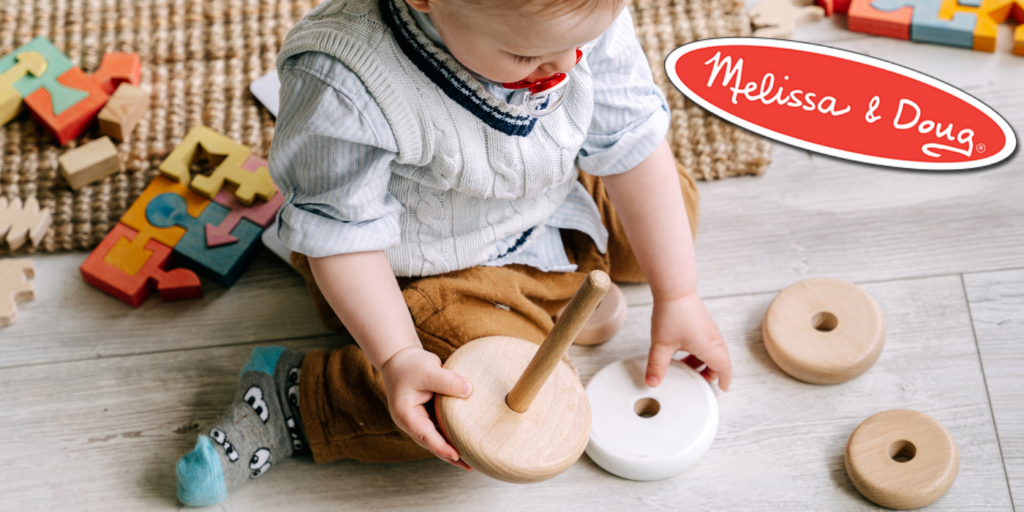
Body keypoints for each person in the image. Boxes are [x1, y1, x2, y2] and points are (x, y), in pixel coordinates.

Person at [175, 0, 732, 506]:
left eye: (583, 44)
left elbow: (629, 134)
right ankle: (296, 398)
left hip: (548, 198)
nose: (564, 67)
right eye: (526, 55)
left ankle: (559, 285)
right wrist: (396, 358)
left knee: (672, 208)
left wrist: (679, 292)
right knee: (469, 401)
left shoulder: (574, 19)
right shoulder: (344, 78)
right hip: (418, 267)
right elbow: (344, 237)